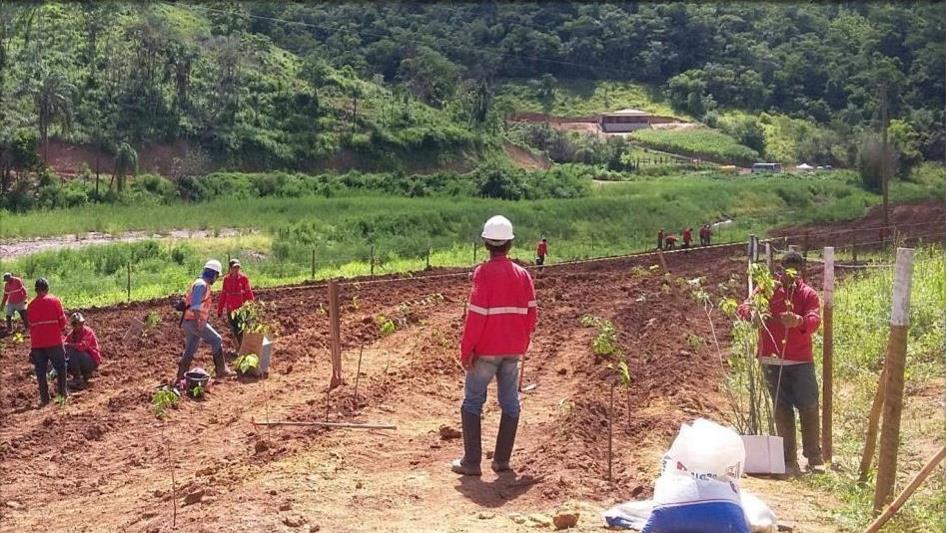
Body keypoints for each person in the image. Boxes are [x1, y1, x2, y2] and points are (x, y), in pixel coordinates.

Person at [452, 215, 538, 476]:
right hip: (512, 350)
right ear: (509, 244)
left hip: (486, 351)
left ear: (486, 244)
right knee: (510, 403)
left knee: (472, 402)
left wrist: (467, 351)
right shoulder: (523, 275)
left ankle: (471, 462)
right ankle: (501, 462)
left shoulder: (483, 273)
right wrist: (521, 341)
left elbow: (476, 317)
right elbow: (532, 315)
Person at [738, 251, 823, 476]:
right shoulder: (767, 290)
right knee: (781, 408)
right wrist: (753, 315)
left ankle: (814, 457)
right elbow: (744, 308)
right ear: (781, 270)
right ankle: (787, 459)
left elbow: (815, 319)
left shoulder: (808, 294)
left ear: (802, 271)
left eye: (796, 271)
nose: (792, 276)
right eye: (788, 271)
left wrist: (799, 321)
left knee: (809, 405)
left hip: (800, 359)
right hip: (771, 358)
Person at [176, 259, 231, 382]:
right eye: (216, 275)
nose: (216, 279)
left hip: (188, 321)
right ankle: (221, 370)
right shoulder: (201, 284)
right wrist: (199, 321)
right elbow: (195, 305)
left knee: (191, 347)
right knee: (216, 339)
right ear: (212, 273)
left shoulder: (200, 283)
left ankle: (181, 375)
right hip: (194, 321)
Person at [27, 278, 68, 406]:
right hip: (54, 341)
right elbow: (62, 322)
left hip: (37, 343)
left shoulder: (30, 305)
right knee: (61, 367)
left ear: (36, 290)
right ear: (47, 288)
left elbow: (30, 324)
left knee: (40, 371)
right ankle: (62, 394)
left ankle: (45, 399)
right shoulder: (55, 301)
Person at [217, 259, 255, 347]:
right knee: (234, 330)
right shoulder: (226, 279)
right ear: (230, 268)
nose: (236, 269)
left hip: (242, 309)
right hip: (230, 309)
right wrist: (220, 309)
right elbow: (223, 295)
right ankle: (240, 348)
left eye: (238, 267)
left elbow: (248, 293)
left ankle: (245, 347)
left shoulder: (243, 278)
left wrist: (251, 305)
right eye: (234, 267)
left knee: (242, 329)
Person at [64, 312, 101, 389]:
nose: (81, 325)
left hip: (92, 360)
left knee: (73, 351)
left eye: (82, 323)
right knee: (66, 358)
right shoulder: (71, 335)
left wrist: (69, 345)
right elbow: (64, 344)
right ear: (73, 325)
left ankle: (78, 379)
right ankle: (84, 375)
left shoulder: (88, 332)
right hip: (83, 359)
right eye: (79, 324)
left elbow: (82, 346)